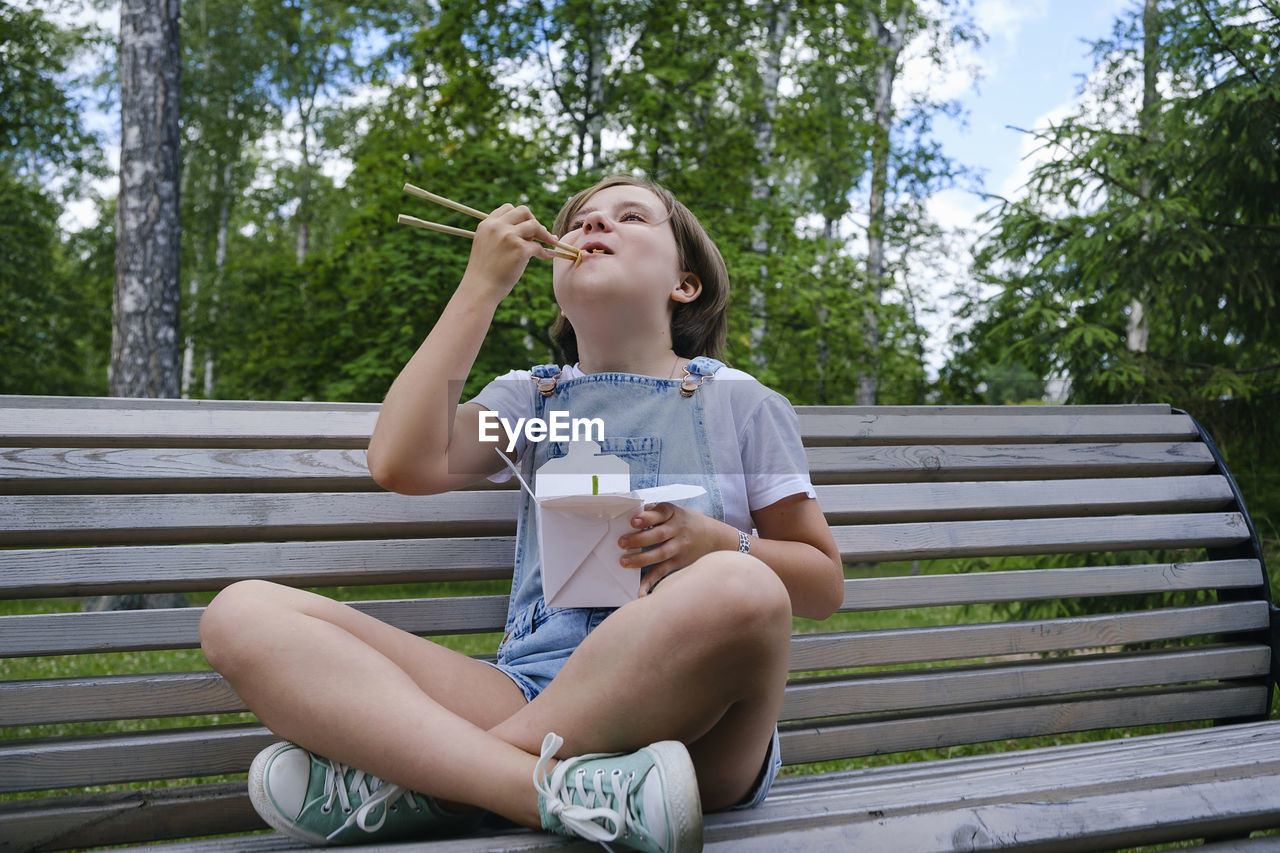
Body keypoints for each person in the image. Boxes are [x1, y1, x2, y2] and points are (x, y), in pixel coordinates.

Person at [199, 175, 844, 852]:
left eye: (630, 217)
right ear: (554, 277)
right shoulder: (530, 403)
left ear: (685, 283)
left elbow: (821, 582)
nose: (596, 226)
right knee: (241, 615)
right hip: (530, 693)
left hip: (694, 728)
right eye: (580, 221)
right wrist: (480, 287)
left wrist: (718, 543)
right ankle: (545, 792)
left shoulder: (738, 402)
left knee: (742, 587)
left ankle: (436, 783)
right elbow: (400, 461)